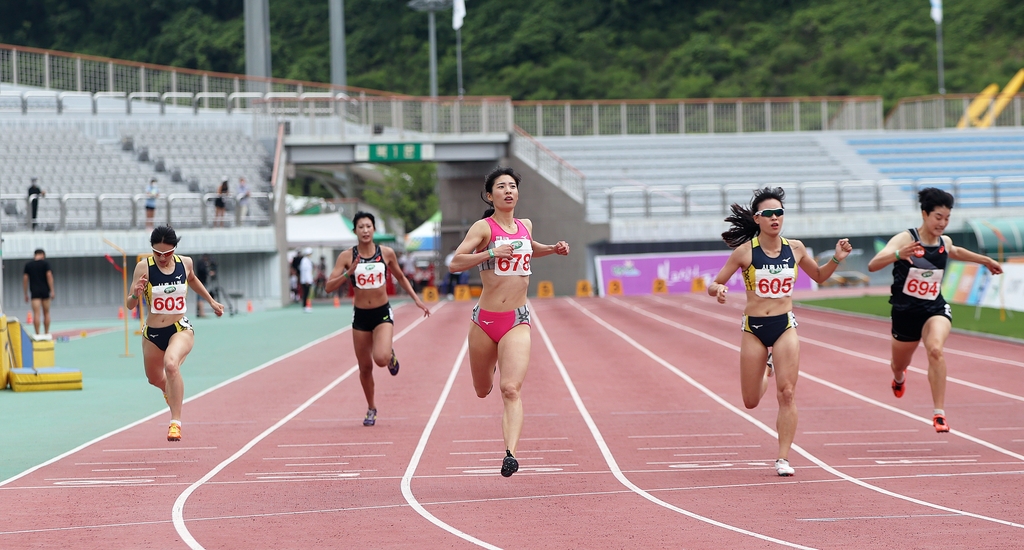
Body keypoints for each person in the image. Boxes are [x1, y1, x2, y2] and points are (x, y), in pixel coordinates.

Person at [707, 186, 852, 477]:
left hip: (785, 325)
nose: (775, 218)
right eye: (769, 214)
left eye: (780, 213)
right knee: (750, 401)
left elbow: (820, 276)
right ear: (757, 218)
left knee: (787, 394)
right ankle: (766, 370)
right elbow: (714, 283)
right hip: (754, 329)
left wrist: (837, 258)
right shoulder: (745, 252)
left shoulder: (796, 248)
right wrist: (719, 289)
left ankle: (783, 458)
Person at [448, 167, 570, 478]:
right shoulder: (483, 228)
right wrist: (490, 251)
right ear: (490, 195)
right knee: (482, 389)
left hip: (517, 319)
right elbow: (454, 263)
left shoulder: (524, 225)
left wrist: (552, 249)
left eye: (512, 186)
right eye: (501, 187)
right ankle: (489, 362)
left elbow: (531, 248)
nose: (508, 191)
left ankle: (510, 454)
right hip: (485, 321)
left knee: (511, 389)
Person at [867, 187, 1003, 433]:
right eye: (938, 217)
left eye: (947, 218)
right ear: (924, 214)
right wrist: (898, 254)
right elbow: (873, 264)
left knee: (936, 350)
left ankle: (938, 413)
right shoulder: (905, 239)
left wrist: (985, 260)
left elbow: (955, 251)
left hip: (934, 308)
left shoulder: (944, 241)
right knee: (899, 364)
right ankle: (899, 378)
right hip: (905, 312)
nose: (942, 223)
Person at [325, 212, 431, 427]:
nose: (365, 230)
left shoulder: (386, 253)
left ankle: (389, 354)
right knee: (364, 367)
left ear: (374, 229)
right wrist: (349, 273)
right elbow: (329, 287)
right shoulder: (346, 257)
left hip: (382, 313)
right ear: (355, 231)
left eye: (368, 226)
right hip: (361, 315)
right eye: (361, 227)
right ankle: (371, 407)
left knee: (380, 359)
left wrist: (417, 300)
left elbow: (401, 277)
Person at [126, 226, 224, 442]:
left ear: (175, 249)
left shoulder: (184, 263)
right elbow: (129, 305)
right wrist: (135, 294)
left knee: (171, 365)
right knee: (153, 378)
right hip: (152, 333)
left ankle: (175, 423)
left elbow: (193, 279)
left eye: (167, 253)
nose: (162, 258)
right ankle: (168, 389)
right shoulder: (144, 267)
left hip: (179, 328)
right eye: (157, 253)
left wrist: (211, 301)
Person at [23, 249, 55, 335]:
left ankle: (37, 334)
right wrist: (52, 290)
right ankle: (46, 332)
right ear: (43, 255)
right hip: (45, 290)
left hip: (35, 291)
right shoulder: (46, 264)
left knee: (36, 313)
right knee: (46, 312)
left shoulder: (28, 265)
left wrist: (25, 293)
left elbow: (25, 279)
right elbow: (49, 276)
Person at [299, 247, 315, 312]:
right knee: (305, 293)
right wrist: (307, 280)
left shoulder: (308, 260)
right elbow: (305, 271)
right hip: (306, 281)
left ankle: (306, 305)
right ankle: (304, 306)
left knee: (307, 293)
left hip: (308, 280)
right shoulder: (304, 260)